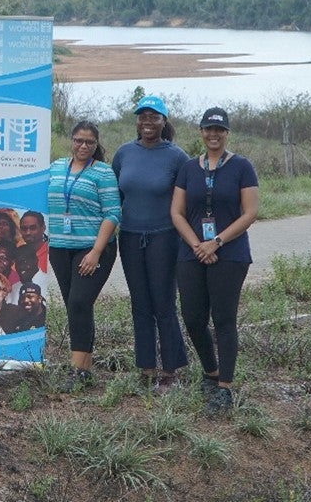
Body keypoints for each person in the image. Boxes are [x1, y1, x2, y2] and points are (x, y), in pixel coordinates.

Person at [171, 107, 259, 414]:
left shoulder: (242, 167)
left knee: (223, 319)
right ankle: (210, 372)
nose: (213, 134)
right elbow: (176, 212)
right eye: (208, 129)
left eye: (219, 130)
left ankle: (225, 387)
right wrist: (198, 245)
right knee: (193, 317)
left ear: (227, 133)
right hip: (191, 252)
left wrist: (217, 242)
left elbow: (250, 212)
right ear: (201, 132)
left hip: (230, 253)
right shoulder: (188, 168)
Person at [112, 95, 191, 391]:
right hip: (131, 237)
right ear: (137, 121)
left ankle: (170, 370)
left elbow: (185, 202)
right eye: (142, 116)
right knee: (140, 304)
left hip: (164, 237)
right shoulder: (123, 154)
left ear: (164, 121)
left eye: (153, 117)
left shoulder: (177, 157)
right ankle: (146, 368)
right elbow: (114, 198)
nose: (147, 122)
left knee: (164, 304)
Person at [47, 121, 121, 390]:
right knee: (75, 306)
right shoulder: (56, 167)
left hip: (91, 249)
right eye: (79, 140)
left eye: (89, 142)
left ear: (96, 144)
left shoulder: (102, 172)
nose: (83, 146)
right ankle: (84, 367)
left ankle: (77, 371)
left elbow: (113, 213)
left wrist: (96, 252)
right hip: (59, 248)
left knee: (79, 302)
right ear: (71, 140)